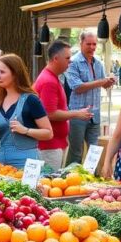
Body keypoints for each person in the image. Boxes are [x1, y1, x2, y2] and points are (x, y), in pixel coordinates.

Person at [0, 54, 53, 168]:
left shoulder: (31, 100)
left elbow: (49, 133)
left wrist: (25, 130)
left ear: (15, 74)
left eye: (2, 72)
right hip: (1, 164)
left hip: (26, 164)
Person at [34, 40, 93, 170]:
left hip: (54, 143)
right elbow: (49, 113)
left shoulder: (52, 77)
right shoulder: (48, 81)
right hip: (49, 146)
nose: (70, 61)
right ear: (56, 59)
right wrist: (77, 113)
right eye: (67, 58)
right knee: (48, 182)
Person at [65, 30, 114, 165]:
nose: (92, 47)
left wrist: (108, 83)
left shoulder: (98, 62)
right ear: (81, 43)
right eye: (88, 44)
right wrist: (101, 81)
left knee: (94, 152)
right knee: (76, 152)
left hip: (95, 114)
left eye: (94, 44)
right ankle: (70, 180)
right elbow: (77, 87)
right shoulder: (73, 62)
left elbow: (103, 85)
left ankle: (91, 180)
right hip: (77, 114)